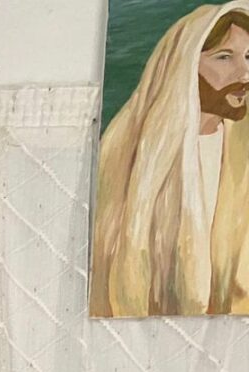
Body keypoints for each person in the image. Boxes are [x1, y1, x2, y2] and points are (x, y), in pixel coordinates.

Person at [93, 6, 249, 316]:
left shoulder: (242, 151)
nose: (244, 74)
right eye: (224, 57)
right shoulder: (128, 152)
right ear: (185, 65)